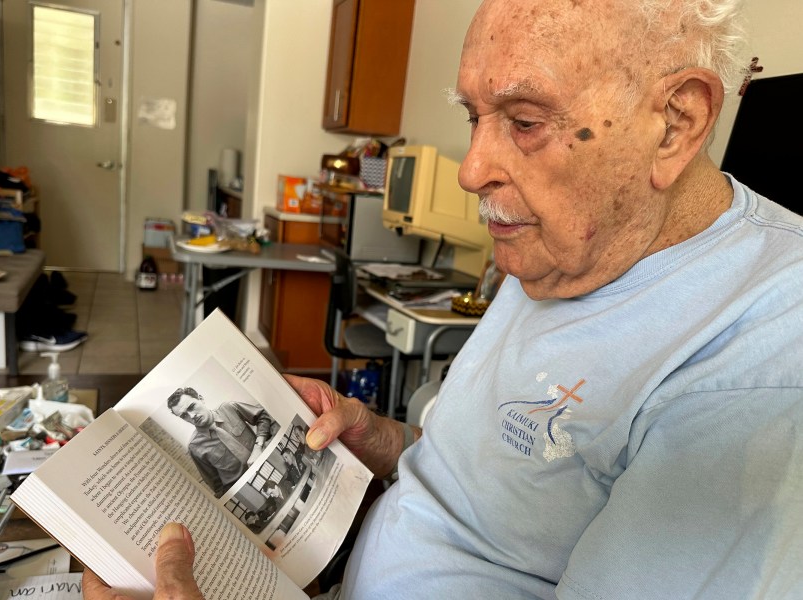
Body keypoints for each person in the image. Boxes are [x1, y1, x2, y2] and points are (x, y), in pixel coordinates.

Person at [86, 0, 803, 597]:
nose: (473, 170)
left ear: (675, 122)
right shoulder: (568, 248)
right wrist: (384, 441)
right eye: (473, 117)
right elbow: (499, 479)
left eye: (524, 121)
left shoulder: (765, 350)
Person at [167, 387, 277, 497]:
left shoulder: (228, 408)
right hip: (246, 490)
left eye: (192, 407)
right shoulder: (194, 447)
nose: (192, 416)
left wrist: (258, 446)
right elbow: (217, 487)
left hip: (268, 463)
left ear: (201, 399)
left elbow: (262, 416)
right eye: (184, 416)